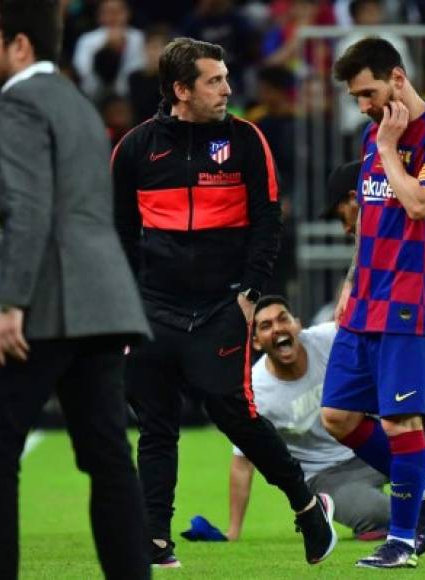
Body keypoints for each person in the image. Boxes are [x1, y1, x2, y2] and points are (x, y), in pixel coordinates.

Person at [111, 37, 336, 568]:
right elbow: (118, 231)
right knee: (156, 424)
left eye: (225, 76)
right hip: (151, 306)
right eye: (214, 80)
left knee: (232, 412)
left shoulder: (247, 141)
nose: (228, 88)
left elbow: (267, 223)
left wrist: (250, 296)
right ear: (180, 90)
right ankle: (156, 541)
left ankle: (305, 508)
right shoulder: (136, 148)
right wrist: (124, 302)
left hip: (220, 307)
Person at [0, 2, 151, 578]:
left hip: (48, 302)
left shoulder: (19, 101)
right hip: (105, 301)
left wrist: (10, 303)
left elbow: (26, 210)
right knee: (108, 457)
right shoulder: (77, 101)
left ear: (20, 46)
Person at [319, 37, 425, 568]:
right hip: (366, 299)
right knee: (336, 414)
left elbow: (421, 204)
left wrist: (388, 148)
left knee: (400, 424)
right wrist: (350, 281)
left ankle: (402, 542)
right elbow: (370, 216)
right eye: (357, 97)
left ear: (398, 79)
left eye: (369, 93)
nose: (363, 106)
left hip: (412, 299)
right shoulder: (371, 134)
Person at [183, 295, 391, 542]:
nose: (278, 328)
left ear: (298, 325)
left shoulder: (329, 339)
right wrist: (233, 531)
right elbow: (243, 462)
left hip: (372, 440)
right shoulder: (256, 390)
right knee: (381, 514)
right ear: (257, 343)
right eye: (266, 325)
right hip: (328, 476)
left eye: (283, 319)